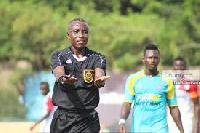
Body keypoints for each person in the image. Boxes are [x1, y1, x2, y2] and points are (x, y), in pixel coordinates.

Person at [50, 18, 110, 133]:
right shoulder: (59, 56)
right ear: (68, 35)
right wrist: (63, 79)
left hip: (88, 120)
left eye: (85, 32)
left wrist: (100, 80)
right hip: (64, 119)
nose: (81, 35)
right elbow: (59, 73)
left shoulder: (98, 57)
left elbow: (99, 73)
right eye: (76, 31)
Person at [119, 44, 184, 133]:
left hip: (160, 128)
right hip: (139, 128)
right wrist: (122, 120)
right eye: (150, 58)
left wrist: (181, 128)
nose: (152, 60)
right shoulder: (133, 79)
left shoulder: (167, 80)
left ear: (159, 59)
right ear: (143, 59)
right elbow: (127, 103)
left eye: (155, 58)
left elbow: (173, 107)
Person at [168, 57, 199, 133]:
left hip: (186, 120)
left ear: (185, 68)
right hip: (170, 121)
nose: (179, 68)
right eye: (176, 65)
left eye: (181, 65)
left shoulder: (190, 83)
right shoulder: (167, 83)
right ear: (173, 67)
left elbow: (196, 105)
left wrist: (196, 126)